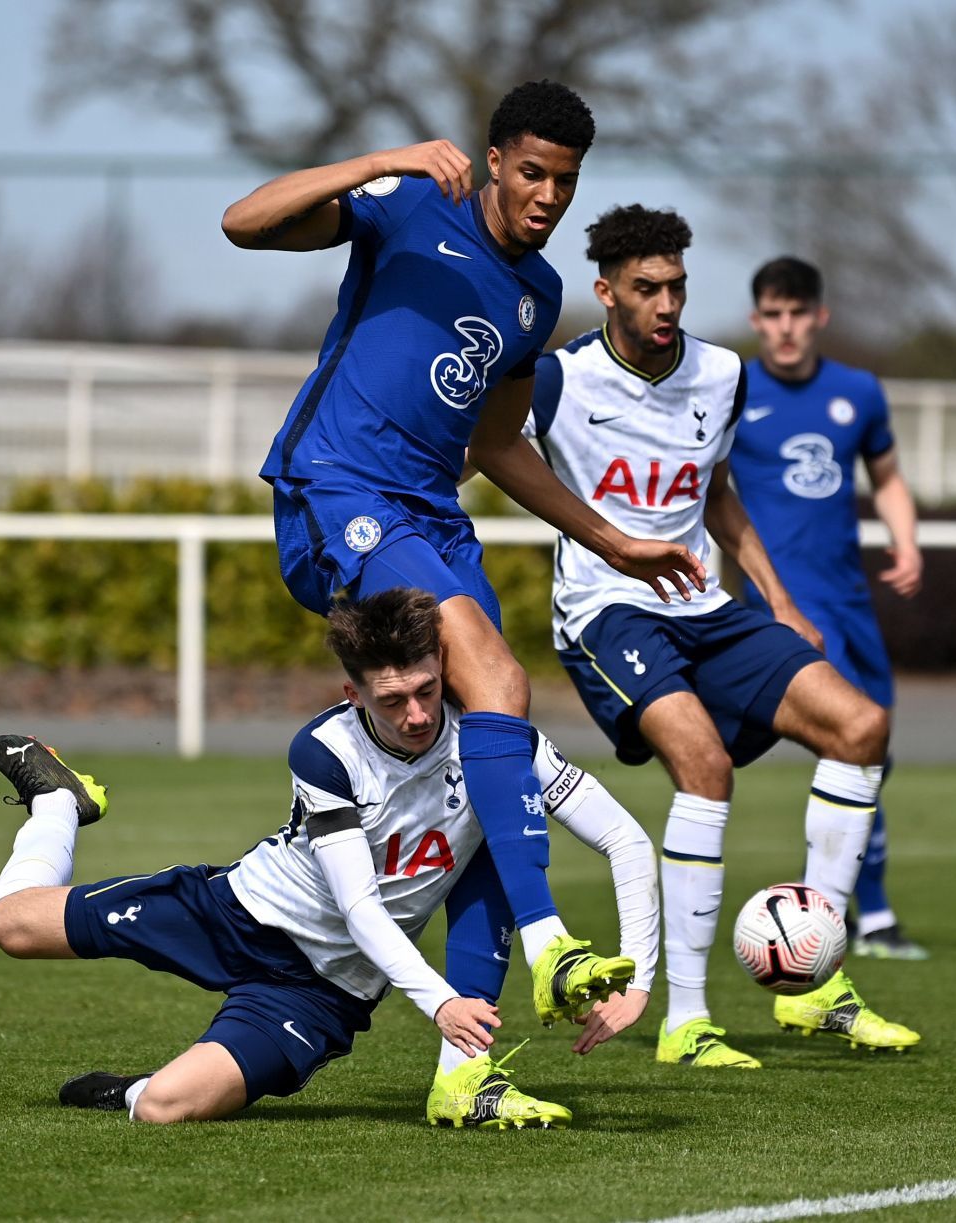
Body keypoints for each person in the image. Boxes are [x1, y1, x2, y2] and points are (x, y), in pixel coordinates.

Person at [223, 80, 698, 1017]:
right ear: (492, 160)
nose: (550, 198)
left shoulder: (538, 295)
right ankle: (553, 941)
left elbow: (494, 445)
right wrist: (381, 160)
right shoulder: (410, 208)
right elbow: (243, 222)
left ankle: (464, 1067)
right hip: (340, 489)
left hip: (434, 517)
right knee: (500, 684)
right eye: (533, 173)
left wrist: (614, 541)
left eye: (566, 181)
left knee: (486, 757)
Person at [0, 588, 659, 1128]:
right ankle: (60, 803)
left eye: (426, 689)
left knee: (167, 1106)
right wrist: (441, 1002)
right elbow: (358, 903)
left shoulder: (501, 747)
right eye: (392, 700)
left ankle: (132, 1088)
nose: (418, 713)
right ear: (352, 695)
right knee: (9, 925)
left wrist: (640, 981)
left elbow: (625, 838)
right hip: (236, 911)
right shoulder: (325, 751)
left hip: (321, 990)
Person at [527, 205, 922, 1069]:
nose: (666, 303)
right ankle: (687, 1020)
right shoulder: (558, 380)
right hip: (607, 610)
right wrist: (604, 543)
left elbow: (718, 491)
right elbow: (491, 451)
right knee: (702, 765)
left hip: (707, 606)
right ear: (606, 292)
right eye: (646, 288)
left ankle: (814, 982)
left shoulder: (720, 373)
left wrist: (777, 598)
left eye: (675, 285)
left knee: (861, 727)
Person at [728, 256, 928, 961]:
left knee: (879, 754)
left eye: (797, 314)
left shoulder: (858, 392)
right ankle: (857, 914)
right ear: (757, 321)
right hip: (784, 608)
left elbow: (890, 478)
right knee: (851, 747)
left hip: (852, 602)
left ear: (820, 317)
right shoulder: (732, 386)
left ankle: (850, 905)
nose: (785, 329)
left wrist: (906, 541)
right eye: (772, 316)